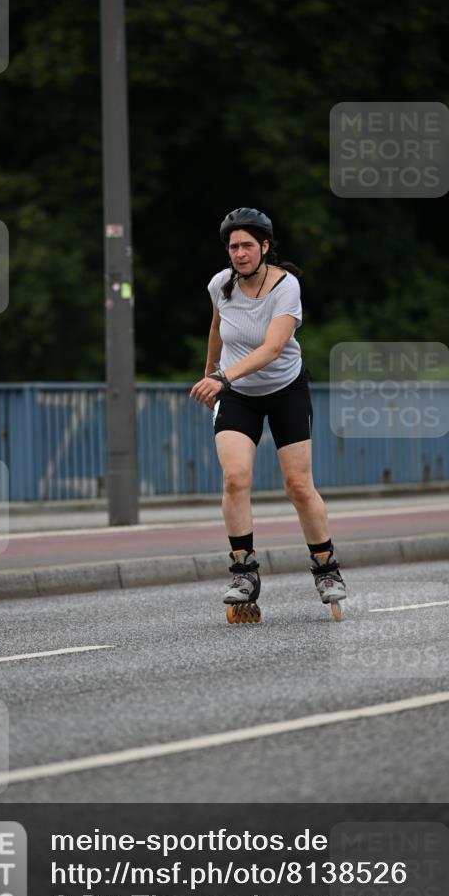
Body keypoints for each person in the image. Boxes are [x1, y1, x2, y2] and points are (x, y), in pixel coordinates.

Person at [190, 207, 346, 622]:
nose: (238, 253)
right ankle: (244, 572)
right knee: (235, 478)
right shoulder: (220, 285)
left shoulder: (286, 286)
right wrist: (210, 374)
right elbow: (216, 329)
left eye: (246, 245)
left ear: (264, 247)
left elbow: (273, 348)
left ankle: (326, 569)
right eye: (232, 246)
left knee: (297, 485)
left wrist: (223, 376)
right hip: (237, 394)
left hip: (284, 391)